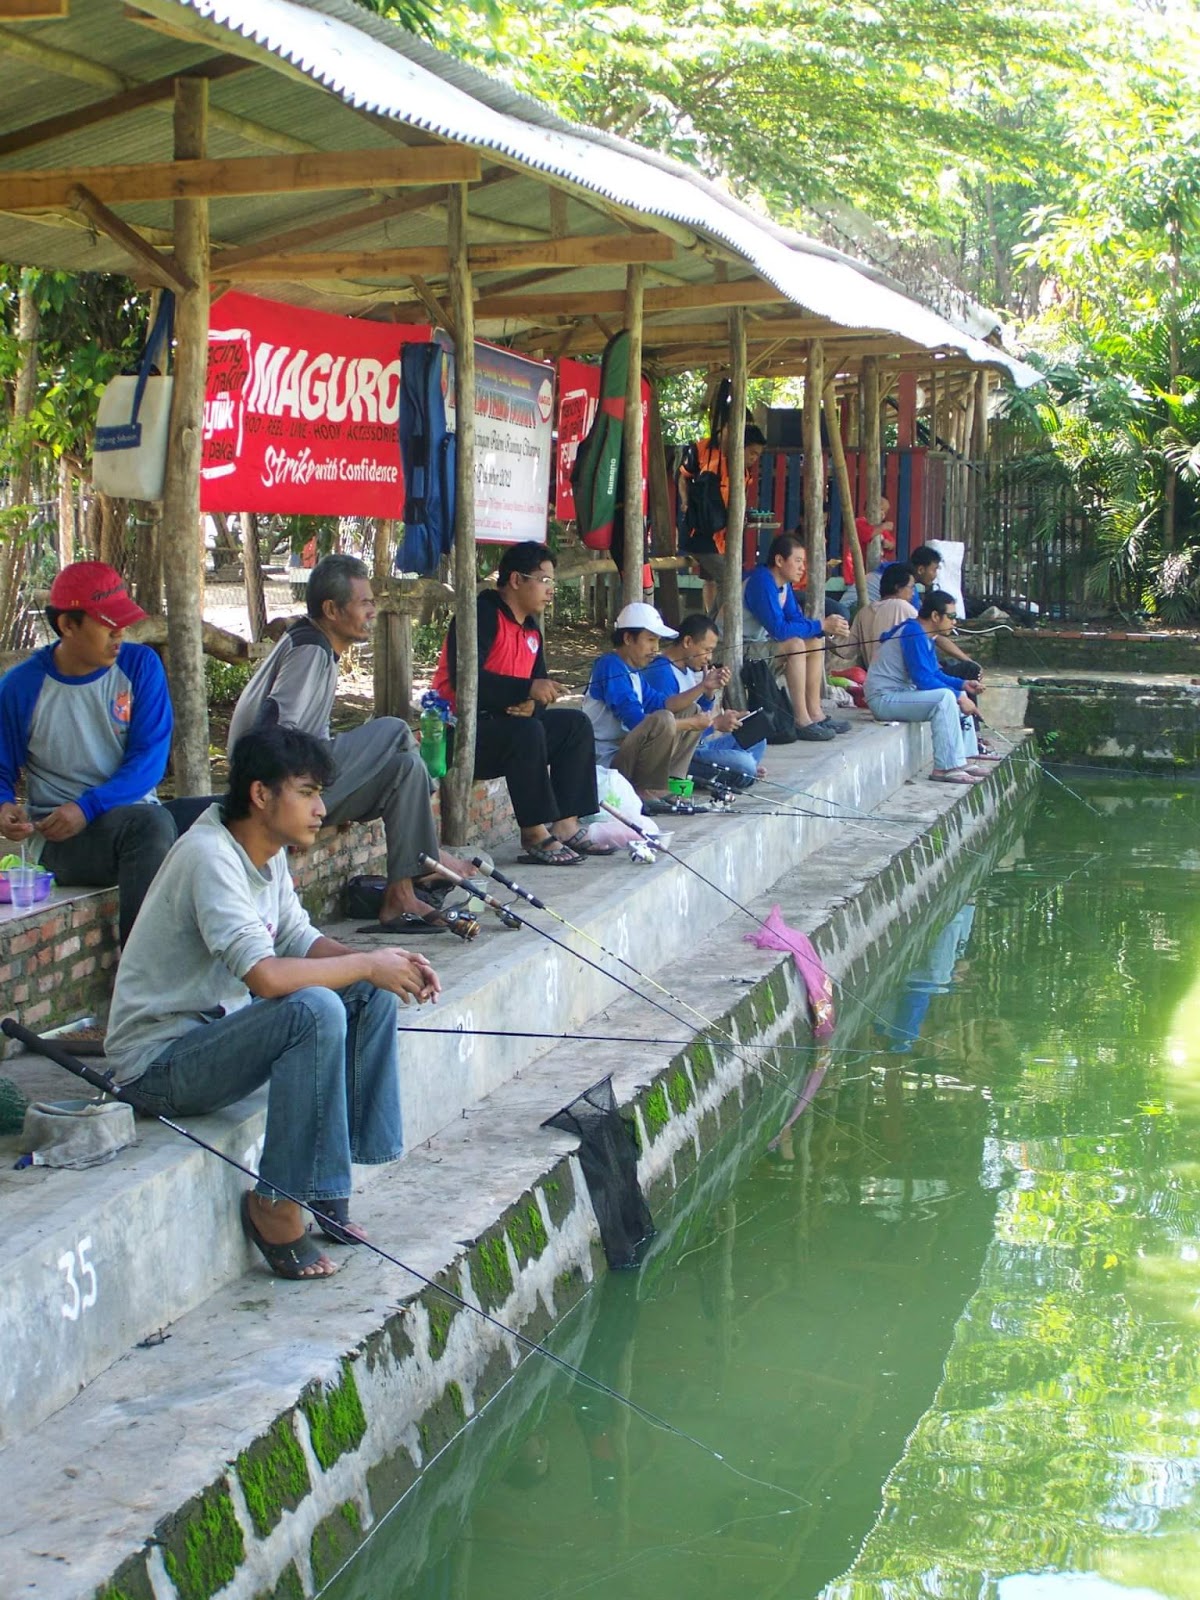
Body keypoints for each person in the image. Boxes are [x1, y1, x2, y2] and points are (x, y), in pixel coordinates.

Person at [104, 726, 440, 1281]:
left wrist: (384, 962)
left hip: (213, 1041)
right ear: (261, 794)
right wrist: (365, 963)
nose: (321, 809)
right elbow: (265, 977)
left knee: (367, 991)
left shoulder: (267, 852)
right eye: (307, 793)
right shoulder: (210, 856)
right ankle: (276, 1204)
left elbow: (297, 938)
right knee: (314, 1009)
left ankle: (327, 1183)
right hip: (157, 1066)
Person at [228, 554, 467, 935]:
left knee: (406, 769)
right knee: (395, 731)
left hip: (303, 784)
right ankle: (432, 858)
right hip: (279, 788)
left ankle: (400, 896)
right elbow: (274, 735)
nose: (373, 611)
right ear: (331, 610)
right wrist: (287, 802)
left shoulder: (320, 647)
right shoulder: (310, 650)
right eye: (364, 602)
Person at [0, 560, 182, 944]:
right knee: (150, 827)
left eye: (123, 622)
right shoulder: (21, 687)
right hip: (61, 842)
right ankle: (140, 971)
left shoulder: (141, 666)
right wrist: (3, 806)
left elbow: (148, 762)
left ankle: (254, 955)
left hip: (136, 816)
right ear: (68, 625)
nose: (120, 633)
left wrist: (87, 807)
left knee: (233, 812)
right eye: (108, 624)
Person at [431, 542, 609, 866]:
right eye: (544, 580)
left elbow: (537, 689)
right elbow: (466, 681)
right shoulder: (481, 615)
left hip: (508, 732)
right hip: (462, 734)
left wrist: (533, 705)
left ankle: (566, 824)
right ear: (516, 580)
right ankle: (534, 833)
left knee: (574, 725)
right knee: (526, 732)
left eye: (552, 582)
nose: (550, 590)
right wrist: (526, 689)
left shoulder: (532, 631)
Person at [582, 603, 712, 814]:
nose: (655, 648)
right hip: (606, 760)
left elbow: (662, 703)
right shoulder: (610, 665)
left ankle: (669, 784)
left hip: (626, 751)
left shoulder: (634, 672)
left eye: (657, 641)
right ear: (628, 638)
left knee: (692, 710)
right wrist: (690, 724)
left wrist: (704, 687)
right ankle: (644, 790)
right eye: (650, 640)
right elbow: (636, 721)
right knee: (664, 719)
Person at [865, 590, 987, 785]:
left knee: (956, 693)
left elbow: (934, 674)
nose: (954, 622)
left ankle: (962, 759)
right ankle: (946, 767)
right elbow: (922, 679)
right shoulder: (913, 633)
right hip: (884, 699)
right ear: (935, 616)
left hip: (901, 695)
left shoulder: (924, 634)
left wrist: (962, 685)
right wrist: (959, 696)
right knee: (946, 697)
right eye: (951, 616)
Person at [742, 534, 851, 741]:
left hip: (759, 646)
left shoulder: (784, 585)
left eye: (804, 562)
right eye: (798, 561)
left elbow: (796, 620)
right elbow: (780, 630)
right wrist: (821, 625)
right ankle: (801, 720)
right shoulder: (761, 581)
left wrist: (822, 629)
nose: (802, 568)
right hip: (738, 648)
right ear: (779, 560)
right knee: (795, 645)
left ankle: (815, 714)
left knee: (815, 641)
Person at [642, 613, 765, 791]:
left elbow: (696, 712)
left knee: (757, 737)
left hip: (698, 746)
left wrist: (708, 693)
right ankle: (743, 771)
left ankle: (743, 772)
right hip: (678, 756)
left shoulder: (687, 669)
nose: (709, 657)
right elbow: (667, 731)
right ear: (687, 642)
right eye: (706, 649)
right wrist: (715, 724)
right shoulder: (661, 672)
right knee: (744, 764)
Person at [679, 422, 767, 614]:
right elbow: (685, 479)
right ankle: (713, 626)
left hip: (721, 540)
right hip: (701, 538)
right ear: (740, 447)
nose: (754, 458)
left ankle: (711, 624)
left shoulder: (743, 473)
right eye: (752, 452)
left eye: (758, 455)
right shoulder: (713, 467)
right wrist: (686, 503)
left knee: (729, 580)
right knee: (729, 580)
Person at [906, 544, 982, 680]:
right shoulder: (914, 629)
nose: (935, 575)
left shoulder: (923, 633)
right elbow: (924, 680)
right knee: (969, 670)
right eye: (934, 570)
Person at [843, 496, 896, 595]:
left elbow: (892, 543)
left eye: (885, 512)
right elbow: (867, 535)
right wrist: (883, 527)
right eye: (881, 509)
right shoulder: (860, 522)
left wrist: (888, 544)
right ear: (869, 509)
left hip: (872, 572)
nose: (883, 514)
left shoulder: (881, 528)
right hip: (855, 571)